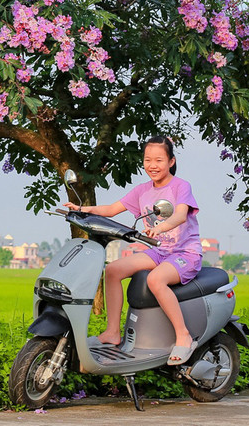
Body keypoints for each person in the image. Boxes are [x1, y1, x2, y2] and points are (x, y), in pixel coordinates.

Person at [63, 135, 202, 364]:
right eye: (148, 160)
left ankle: (183, 336)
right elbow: (111, 209)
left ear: (171, 162)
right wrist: (80, 209)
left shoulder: (180, 186)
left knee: (155, 280)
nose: (153, 165)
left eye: (159, 159)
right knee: (114, 270)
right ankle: (112, 332)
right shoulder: (142, 191)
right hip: (158, 252)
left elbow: (179, 214)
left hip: (184, 253)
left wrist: (163, 226)